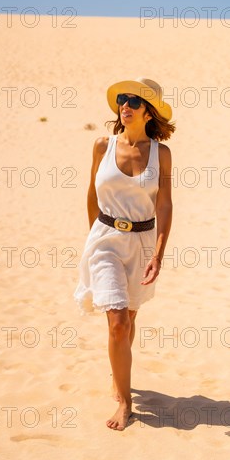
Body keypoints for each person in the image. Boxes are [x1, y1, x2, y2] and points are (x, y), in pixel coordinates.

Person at [73, 77, 176, 431]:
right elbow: (90, 194)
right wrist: (93, 239)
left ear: (149, 111)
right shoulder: (102, 145)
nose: (125, 104)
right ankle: (126, 401)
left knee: (128, 320)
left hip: (143, 242)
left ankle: (120, 374)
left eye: (134, 100)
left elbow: (164, 204)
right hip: (104, 240)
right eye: (122, 99)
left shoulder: (160, 153)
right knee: (117, 323)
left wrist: (159, 253)